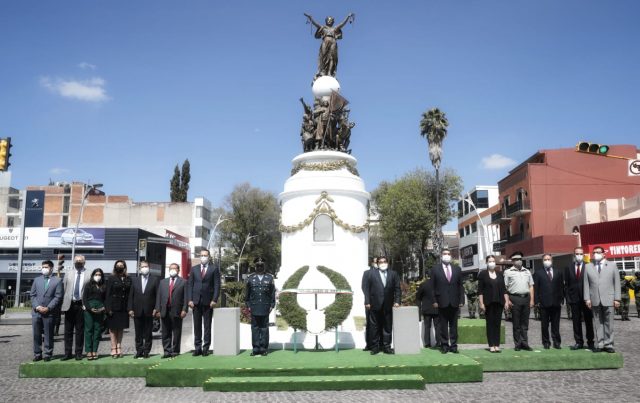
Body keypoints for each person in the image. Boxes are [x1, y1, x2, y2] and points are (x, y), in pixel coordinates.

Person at [584, 246, 621, 353]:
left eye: (598, 252)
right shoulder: (588, 267)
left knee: (609, 322)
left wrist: (617, 298)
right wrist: (587, 298)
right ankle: (600, 343)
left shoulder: (612, 265)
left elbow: (617, 283)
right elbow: (586, 284)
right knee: (598, 322)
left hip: (609, 298)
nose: (595, 254)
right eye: (594, 252)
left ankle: (609, 344)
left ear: (604, 254)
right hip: (594, 298)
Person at [362, 256, 401, 354]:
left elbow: (397, 288)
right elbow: (365, 289)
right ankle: (375, 347)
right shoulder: (370, 274)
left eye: (384, 261)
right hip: (374, 304)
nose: (382, 263)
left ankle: (387, 347)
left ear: (387, 262)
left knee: (387, 326)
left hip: (388, 304)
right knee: (374, 326)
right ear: (377, 264)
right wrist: (367, 302)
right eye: (380, 262)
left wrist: (397, 301)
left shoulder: (393, 274)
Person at [187, 249, 221, 357]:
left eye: (205, 255)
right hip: (195, 302)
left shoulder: (214, 269)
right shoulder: (194, 269)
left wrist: (214, 299)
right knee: (197, 326)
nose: (203, 257)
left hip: (208, 302)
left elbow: (217, 285)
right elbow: (190, 285)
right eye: (201, 255)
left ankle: (206, 348)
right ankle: (197, 348)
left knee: (207, 326)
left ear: (209, 257)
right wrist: (190, 299)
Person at [431, 248, 465, 354]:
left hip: (454, 301)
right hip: (441, 301)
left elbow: (460, 286)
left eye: (448, 254)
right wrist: (434, 301)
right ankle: (444, 345)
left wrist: (461, 300)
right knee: (443, 325)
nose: (447, 255)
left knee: (454, 326)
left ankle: (454, 345)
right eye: (445, 254)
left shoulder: (457, 269)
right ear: (441, 256)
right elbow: (432, 286)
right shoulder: (435, 269)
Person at [303, 13, 355, 78]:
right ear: (326, 21)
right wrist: (311, 18)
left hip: (333, 42)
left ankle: (330, 72)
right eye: (328, 20)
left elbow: (342, 24)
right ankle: (323, 71)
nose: (329, 21)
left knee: (332, 57)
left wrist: (347, 17)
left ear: (333, 22)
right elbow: (315, 24)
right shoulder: (323, 28)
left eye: (331, 20)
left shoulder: (335, 28)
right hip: (325, 41)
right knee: (324, 56)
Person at [30, 260, 63, 361]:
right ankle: (37, 353)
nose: (44, 269)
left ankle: (48, 353)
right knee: (36, 334)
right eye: (43, 267)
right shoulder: (37, 280)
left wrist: (48, 308)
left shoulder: (57, 280)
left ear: (51, 268)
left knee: (48, 334)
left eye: (46, 267)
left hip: (49, 312)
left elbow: (58, 297)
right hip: (37, 312)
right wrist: (37, 307)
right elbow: (32, 295)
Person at [61, 254, 91, 360]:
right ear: (74, 262)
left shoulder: (89, 274)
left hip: (81, 305)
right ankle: (67, 353)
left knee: (80, 330)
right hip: (69, 304)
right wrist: (62, 305)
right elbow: (63, 289)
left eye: (80, 260)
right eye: (77, 260)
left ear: (84, 262)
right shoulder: (68, 273)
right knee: (68, 331)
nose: (78, 262)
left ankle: (78, 353)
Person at [155, 263, 188, 358]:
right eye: (171, 268)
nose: (172, 270)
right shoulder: (163, 282)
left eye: (175, 268)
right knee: (165, 332)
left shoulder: (183, 282)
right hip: (165, 310)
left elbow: (186, 297)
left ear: (178, 270)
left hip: (177, 310)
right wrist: (157, 309)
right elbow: (159, 297)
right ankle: (167, 351)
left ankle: (176, 350)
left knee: (176, 332)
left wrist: (184, 309)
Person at [564, 247, 594, 350]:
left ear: (584, 255)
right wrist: (568, 298)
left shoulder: (589, 266)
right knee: (576, 322)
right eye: (577, 254)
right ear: (574, 255)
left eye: (581, 254)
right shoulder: (568, 267)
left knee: (588, 321)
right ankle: (578, 342)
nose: (579, 256)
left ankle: (591, 342)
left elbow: (592, 283)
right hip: (574, 299)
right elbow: (566, 285)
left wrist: (591, 297)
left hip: (587, 299)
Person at [128, 260, 160, 359]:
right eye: (142, 267)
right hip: (137, 310)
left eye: (146, 266)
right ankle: (139, 350)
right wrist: (130, 308)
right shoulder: (134, 280)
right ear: (139, 268)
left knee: (148, 333)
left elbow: (158, 295)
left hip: (149, 310)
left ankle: (146, 351)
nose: (144, 268)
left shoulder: (154, 280)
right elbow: (131, 296)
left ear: (149, 268)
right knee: (138, 333)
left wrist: (157, 308)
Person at [245, 257, 276, 356]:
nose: (259, 267)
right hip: (254, 306)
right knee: (254, 328)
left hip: (265, 306)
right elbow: (247, 294)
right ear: (255, 267)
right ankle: (255, 348)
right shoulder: (250, 278)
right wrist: (248, 305)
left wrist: (272, 304)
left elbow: (272, 293)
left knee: (264, 328)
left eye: (261, 265)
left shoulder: (270, 278)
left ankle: (263, 348)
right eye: (258, 266)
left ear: (264, 266)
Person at [504, 251, 534, 351]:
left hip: (526, 298)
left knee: (525, 324)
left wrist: (532, 300)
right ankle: (517, 344)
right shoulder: (508, 272)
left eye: (520, 259)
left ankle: (525, 343)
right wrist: (507, 301)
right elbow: (505, 288)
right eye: (517, 259)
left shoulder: (527, 271)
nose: (519, 261)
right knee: (516, 323)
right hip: (514, 298)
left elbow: (531, 286)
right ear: (512, 261)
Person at [533, 254, 565, 349]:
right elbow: (536, 288)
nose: (547, 261)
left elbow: (561, 287)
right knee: (544, 325)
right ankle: (546, 342)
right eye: (545, 259)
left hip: (556, 302)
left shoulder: (558, 272)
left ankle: (556, 342)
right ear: (542, 261)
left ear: (552, 260)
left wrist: (562, 298)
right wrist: (537, 301)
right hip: (543, 303)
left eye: (549, 259)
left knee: (556, 324)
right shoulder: (538, 273)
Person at [478, 255, 508, 353]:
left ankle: (497, 345)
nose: (492, 263)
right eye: (490, 261)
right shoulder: (482, 274)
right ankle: (491, 345)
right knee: (490, 324)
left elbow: (504, 289)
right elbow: (480, 291)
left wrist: (506, 301)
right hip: (488, 303)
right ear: (487, 263)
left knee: (497, 324)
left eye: (493, 261)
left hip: (499, 303)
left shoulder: (500, 274)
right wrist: (481, 303)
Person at [105, 260, 132, 358]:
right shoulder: (111, 278)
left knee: (120, 328)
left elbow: (130, 294)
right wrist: (108, 308)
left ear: (124, 267)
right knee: (112, 329)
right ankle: (113, 348)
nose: (119, 267)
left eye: (121, 265)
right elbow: (107, 294)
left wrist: (130, 308)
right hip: (113, 307)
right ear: (115, 267)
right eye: (118, 265)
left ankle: (119, 346)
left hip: (124, 307)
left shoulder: (128, 278)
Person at [82, 268, 106, 360]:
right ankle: (88, 351)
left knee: (97, 330)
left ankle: (95, 350)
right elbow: (84, 298)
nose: (98, 276)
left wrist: (103, 308)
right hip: (89, 310)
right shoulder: (88, 285)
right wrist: (90, 308)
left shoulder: (104, 286)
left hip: (100, 309)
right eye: (96, 274)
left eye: (99, 274)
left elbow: (106, 299)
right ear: (93, 275)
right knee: (88, 330)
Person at [416, 274, 440, 349]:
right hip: (436, 308)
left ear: (426, 276)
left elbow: (418, 297)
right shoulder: (438, 284)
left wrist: (419, 308)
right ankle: (438, 342)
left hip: (426, 309)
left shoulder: (423, 284)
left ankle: (427, 343)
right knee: (437, 326)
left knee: (427, 327)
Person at [361, 257, 377, 351]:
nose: (376, 263)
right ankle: (369, 344)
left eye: (377, 261)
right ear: (371, 262)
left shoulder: (384, 272)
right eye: (374, 261)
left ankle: (381, 344)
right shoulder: (367, 273)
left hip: (382, 303)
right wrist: (367, 301)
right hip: (370, 303)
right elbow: (364, 288)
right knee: (370, 324)